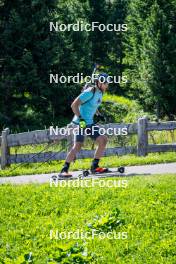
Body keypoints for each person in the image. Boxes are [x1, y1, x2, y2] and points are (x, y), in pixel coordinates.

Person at [60, 73, 110, 178]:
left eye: (107, 83)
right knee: (78, 146)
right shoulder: (90, 91)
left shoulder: (100, 93)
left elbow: (93, 104)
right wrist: (80, 118)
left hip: (89, 123)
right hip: (80, 123)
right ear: (99, 82)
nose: (107, 85)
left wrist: (99, 114)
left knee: (103, 140)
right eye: (105, 83)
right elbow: (74, 105)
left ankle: (95, 167)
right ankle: (64, 170)